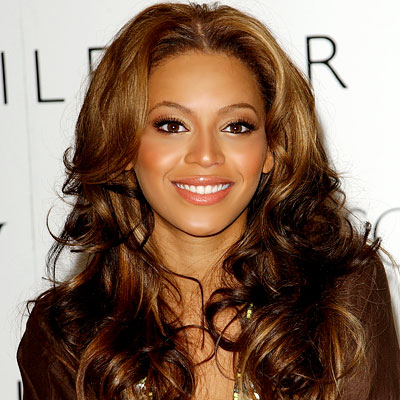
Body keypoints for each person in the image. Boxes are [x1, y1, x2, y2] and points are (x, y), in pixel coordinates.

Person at [17, 2, 400, 400]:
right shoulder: (65, 339)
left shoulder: (340, 297)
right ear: (123, 144)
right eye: (172, 125)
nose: (205, 155)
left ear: (271, 149)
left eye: (236, 126)